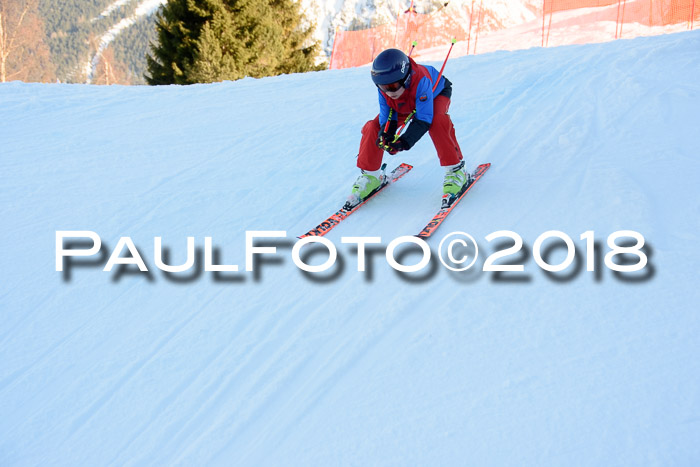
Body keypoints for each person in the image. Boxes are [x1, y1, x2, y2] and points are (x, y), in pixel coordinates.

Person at [349, 48, 470, 206]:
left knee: (437, 121)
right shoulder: (386, 89)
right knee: (373, 126)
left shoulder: (421, 81)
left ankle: (456, 170)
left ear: (405, 78)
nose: (388, 91)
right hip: (405, 99)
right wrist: (385, 136)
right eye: (382, 87)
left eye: (392, 86)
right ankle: (371, 176)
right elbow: (386, 117)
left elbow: (424, 119)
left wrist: (403, 142)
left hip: (435, 93)